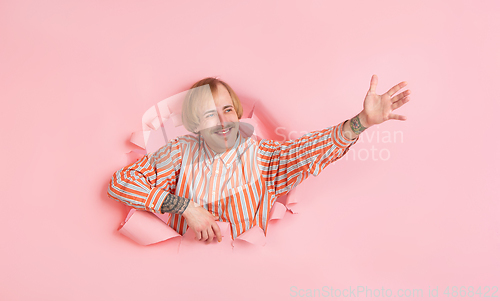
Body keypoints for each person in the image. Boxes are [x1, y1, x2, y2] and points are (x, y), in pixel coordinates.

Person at [108, 75, 411, 243]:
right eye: (210, 114)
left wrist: (360, 122)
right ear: (195, 124)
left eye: (228, 110)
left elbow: (309, 151)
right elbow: (121, 183)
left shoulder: (263, 156)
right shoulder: (179, 152)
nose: (223, 121)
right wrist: (185, 207)